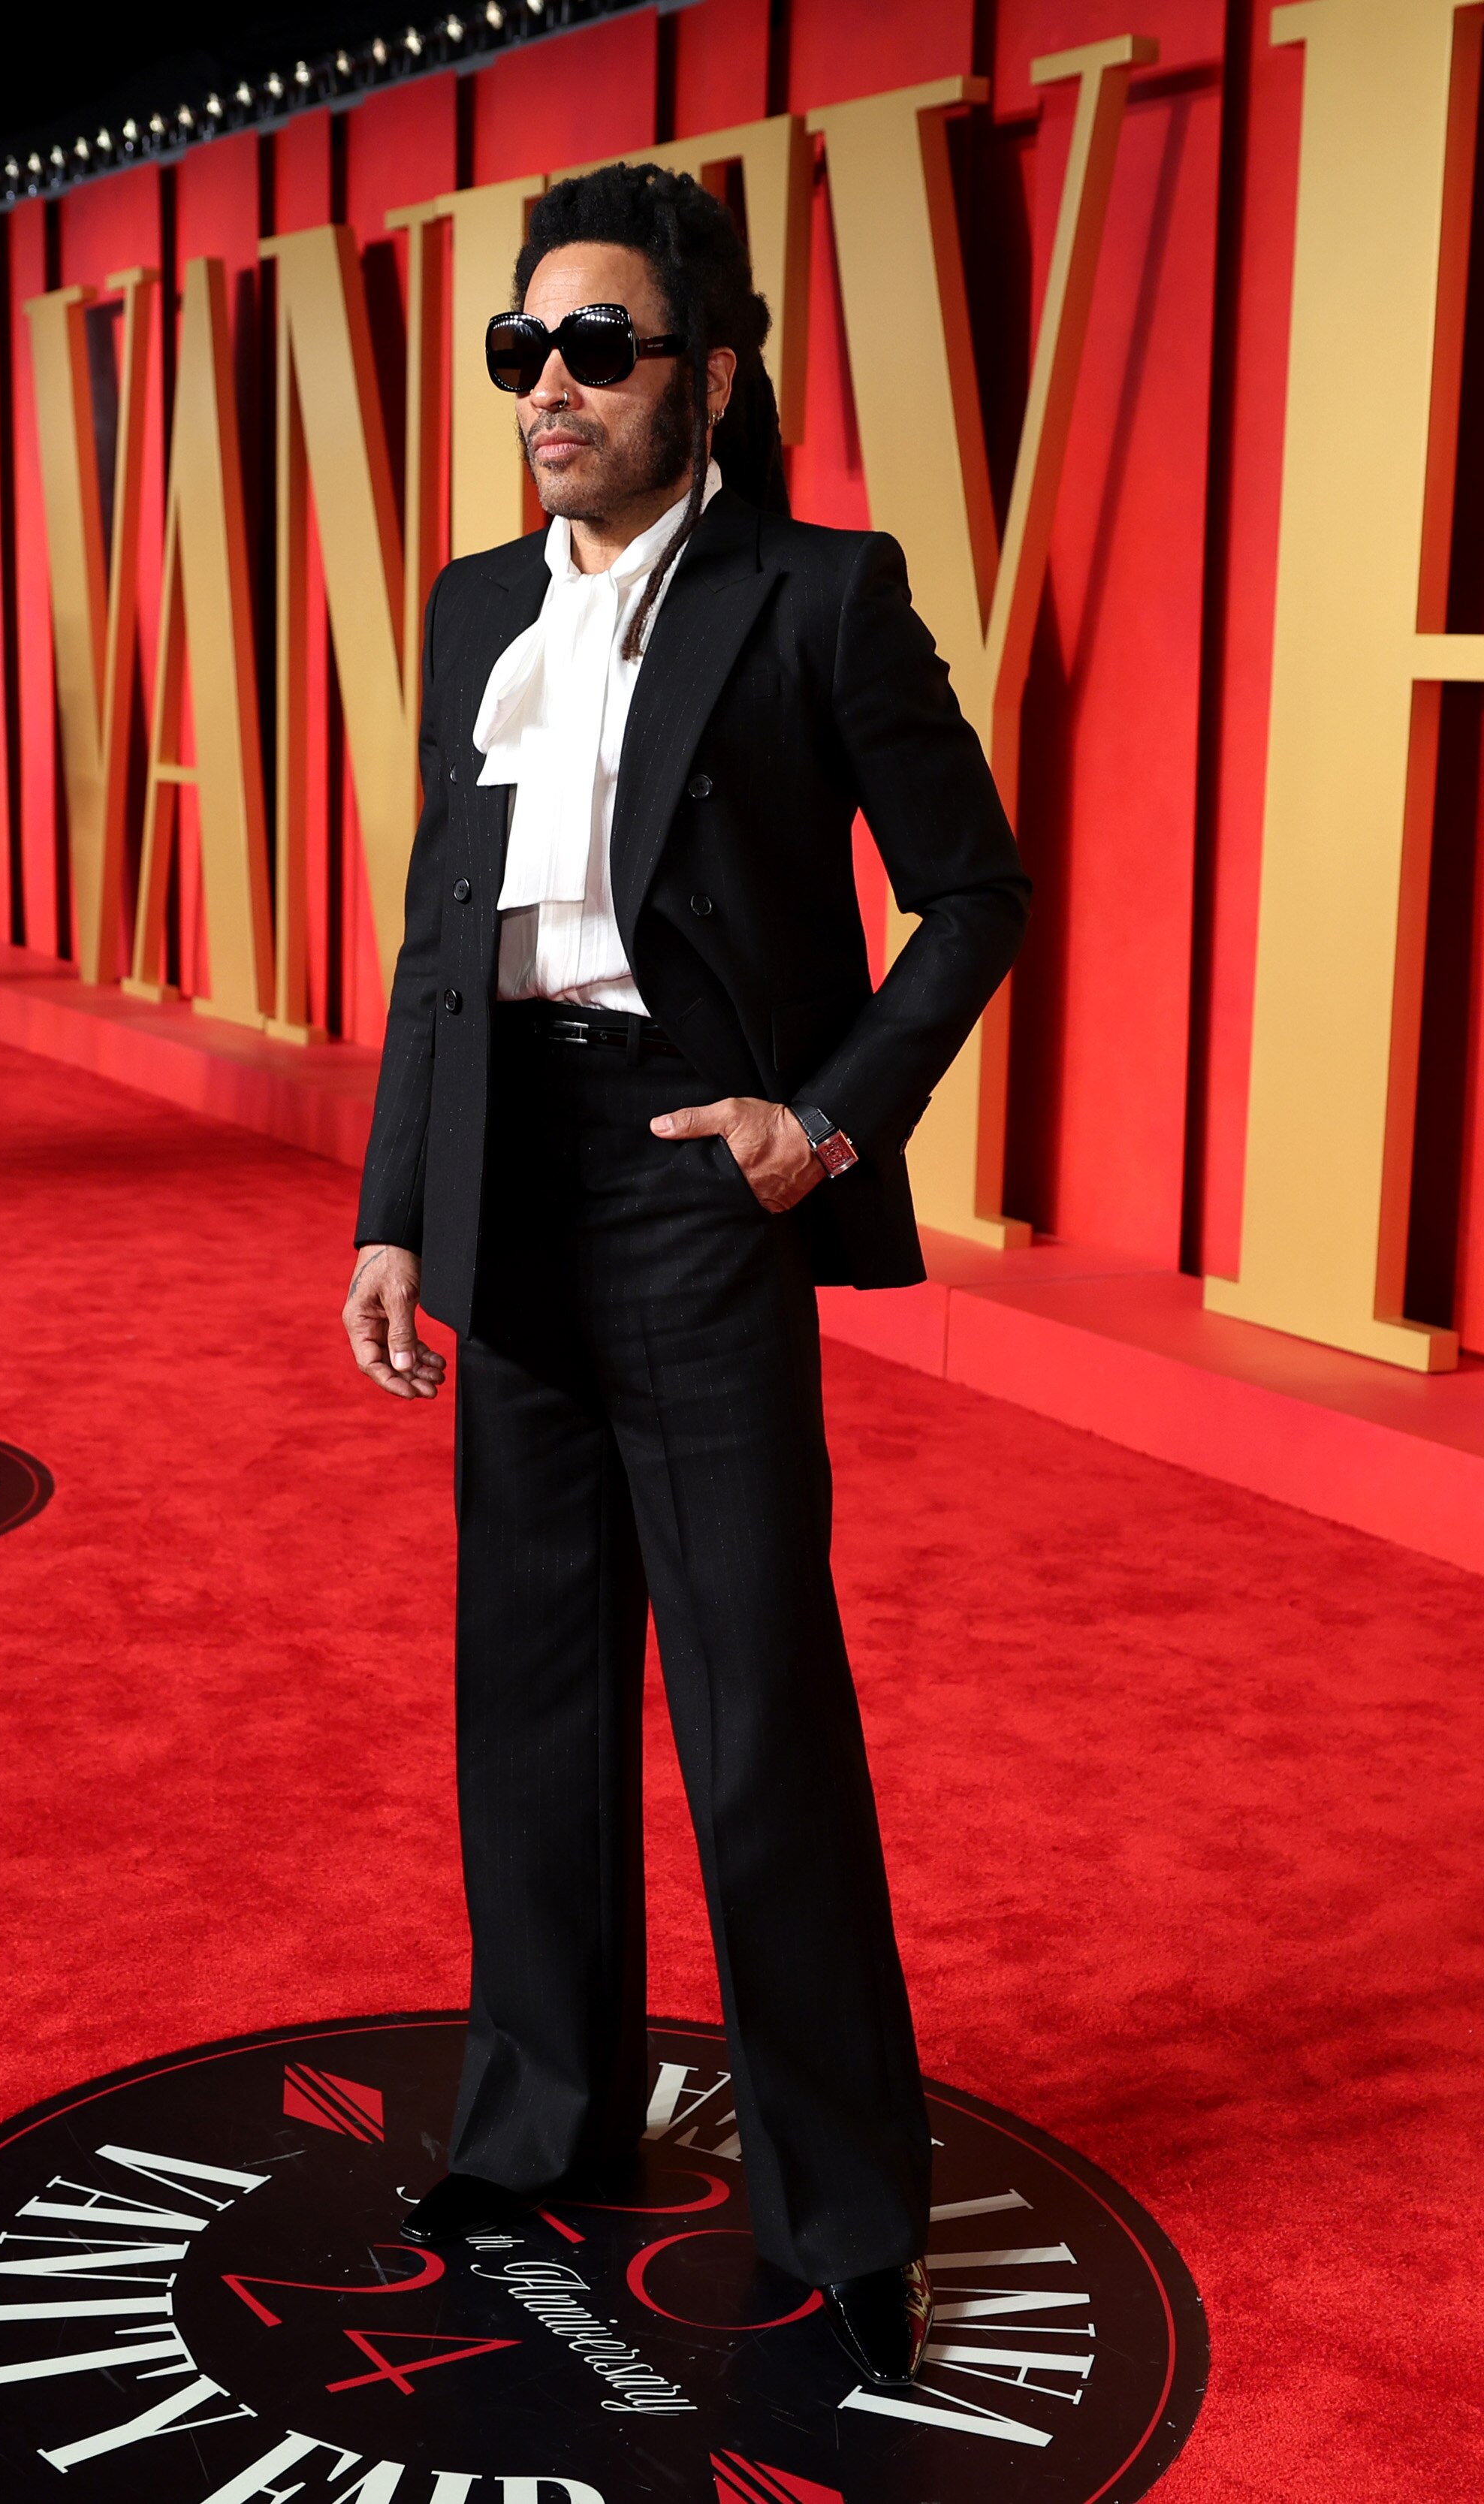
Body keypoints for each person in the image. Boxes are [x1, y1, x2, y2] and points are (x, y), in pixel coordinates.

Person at [339, 164, 1028, 2391]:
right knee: (527, 1689)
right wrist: (390, 1203)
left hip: (693, 1183)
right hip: (502, 1178)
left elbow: (974, 892)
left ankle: (842, 2200)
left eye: (598, 346)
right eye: (521, 350)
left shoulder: (819, 594)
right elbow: (441, 934)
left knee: (754, 1707)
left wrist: (818, 1122)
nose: (548, 387)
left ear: (709, 374)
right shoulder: (474, 605)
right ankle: (539, 2115)